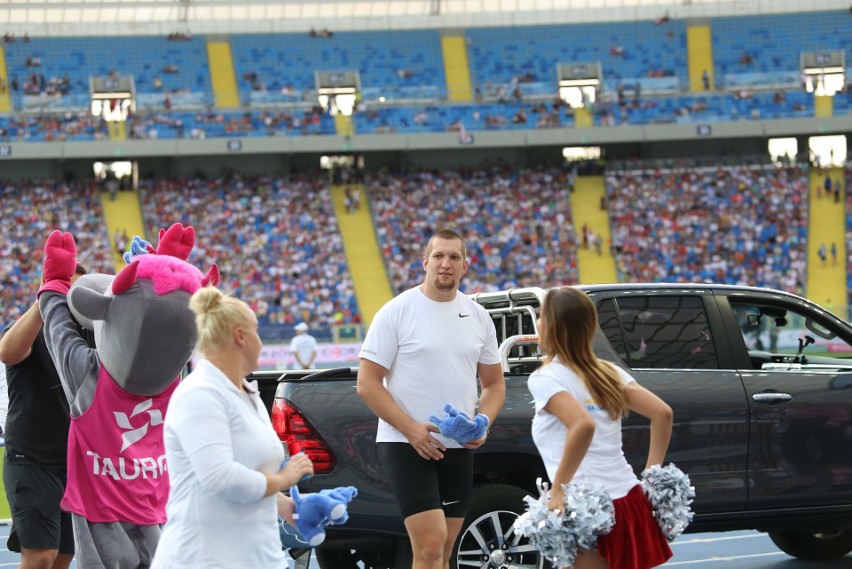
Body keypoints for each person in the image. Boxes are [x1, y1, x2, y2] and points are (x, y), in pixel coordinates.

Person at [357, 228, 506, 569]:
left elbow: (495, 385)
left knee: (446, 547)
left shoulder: (478, 316)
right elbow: (367, 383)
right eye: (439, 256)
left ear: (465, 265)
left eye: (454, 257)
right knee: (430, 543)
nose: (446, 264)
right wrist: (410, 429)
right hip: (406, 442)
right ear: (425, 261)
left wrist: (483, 422)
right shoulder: (396, 311)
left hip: (457, 447)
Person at [151, 287, 314, 569]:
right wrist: (285, 478)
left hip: (255, 556)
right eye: (257, 332)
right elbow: (220, 478)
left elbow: (250, 475)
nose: (261, 343)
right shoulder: (200, 393)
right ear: (240, 336)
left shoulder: (244, 392)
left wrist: (287, 506)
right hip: (205, 558)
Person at [527, 287, 673, 569]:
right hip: (630, 500)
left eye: (542, 316)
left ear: (552, 326)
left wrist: (558, 489)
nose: (539, 323)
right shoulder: (610, 372)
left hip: (588, 509)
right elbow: (662, 413)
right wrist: (653, 476)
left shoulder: (545, 377)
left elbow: (582, 425)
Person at [0, 264, 92, 569]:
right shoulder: (27, 328)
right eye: (62, 289)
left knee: (65, 555)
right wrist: (45, 302)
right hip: (31, 457)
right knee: (41, 554)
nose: (68, 298)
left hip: (72, 462)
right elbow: (8, 352)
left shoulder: (86, 338)